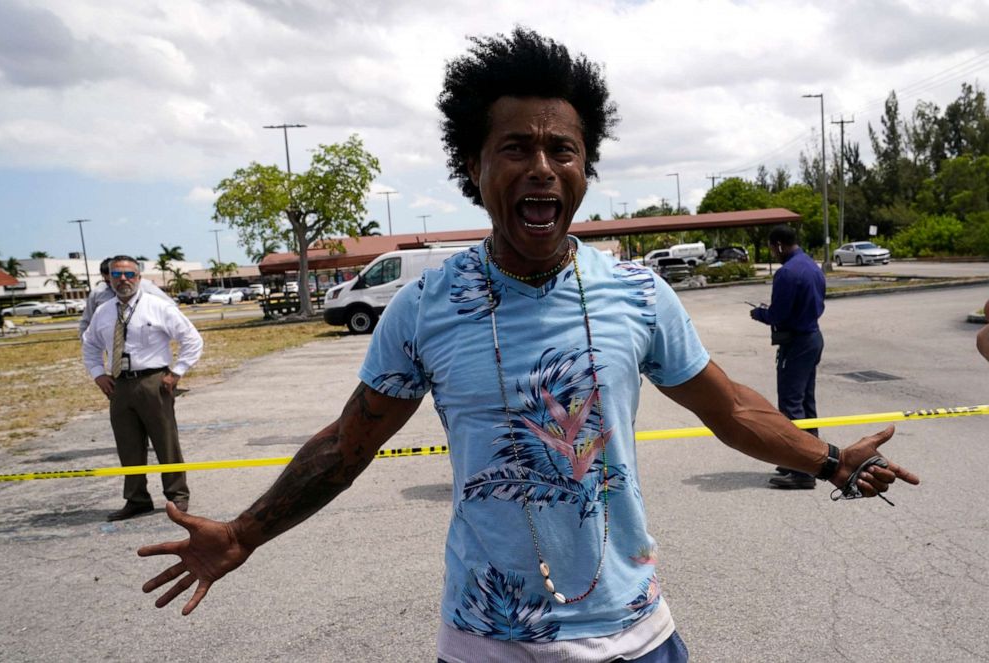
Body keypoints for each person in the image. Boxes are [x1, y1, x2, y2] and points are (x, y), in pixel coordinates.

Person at [138, 29, 918, 661]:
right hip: (486, 638)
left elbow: (731, 409)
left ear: (584, 169)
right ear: (474, 169)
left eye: (562, 150)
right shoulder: (423, 308)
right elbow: (347, 445)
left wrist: (826, 460)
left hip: (632, 631)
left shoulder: (640, 295)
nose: (541, 167)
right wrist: (244, 531)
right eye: (515, 148)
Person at [82, 256, 203, 521]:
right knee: (128, 445)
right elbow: (89, 344)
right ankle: (136, 499)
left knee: (165, 441)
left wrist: (176, 372)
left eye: (129, 274)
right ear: (109, 278)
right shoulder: (103, 312)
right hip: (119, 386)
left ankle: (177, 496)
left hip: (154, 382)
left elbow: (192, 340)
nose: (123, 279)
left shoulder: (157, 307)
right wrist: (97, 374)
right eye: (117, 274)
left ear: (139, 277)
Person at [749, 225, 827, 490]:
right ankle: (814, 459)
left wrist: (759, 314)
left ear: (779, 245)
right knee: (806, 401)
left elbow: (778, 315)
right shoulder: (813, 267)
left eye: (772, 248)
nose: (773, 253)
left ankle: (801, 470)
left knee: (791, 404)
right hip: (812, 338)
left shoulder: (787, 273)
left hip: (795, 343)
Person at [78, 257, 170, 337]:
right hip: (113, 343)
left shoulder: (145, 286)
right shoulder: (97, 293)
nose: (114, 284)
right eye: (108, 281)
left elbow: (169, 306)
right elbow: (86, 322)